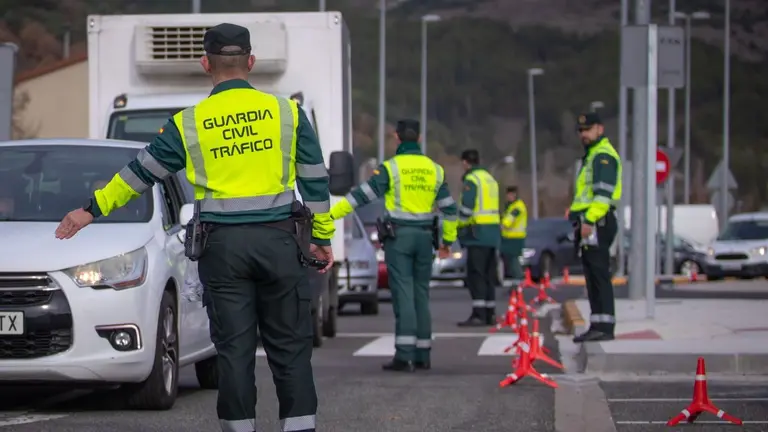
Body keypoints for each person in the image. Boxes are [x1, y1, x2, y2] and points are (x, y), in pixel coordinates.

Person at [55, 23, 333, 432]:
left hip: (223, 250)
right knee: (290, 350)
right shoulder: (287, 114)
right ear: (251, 62)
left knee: (234, 353)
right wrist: (322, 238)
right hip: (280, 243)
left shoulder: (189, 123)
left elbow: (140, 174)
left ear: (206, 64)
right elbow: (316, 180)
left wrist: (90, 210)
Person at [329, 119, 458, 372]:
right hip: (425, 239)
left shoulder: (391, 168)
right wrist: (447, 242)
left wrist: (329, 214)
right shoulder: (435, 170)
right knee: (421, 294)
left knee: (403, 294)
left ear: (397, 138)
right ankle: (423, 354)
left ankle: (405, 354)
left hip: (399, 238)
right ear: (419, 138)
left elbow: (360, 197)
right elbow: (450, 210)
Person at [568, 112, 622, 343]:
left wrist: (589, 220)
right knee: (592, 275)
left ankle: (605, 326)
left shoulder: (602, 157)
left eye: (588, 130)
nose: (583, 134)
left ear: (600, 129)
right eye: (581, 131)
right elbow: (586, 194)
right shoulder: (591, 156)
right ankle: (598, 323)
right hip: (591, 221)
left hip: (598, 222)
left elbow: (602, 196)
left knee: (599, 274)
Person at [456, 150, 501, 327]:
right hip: (492, 233)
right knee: (489, 275)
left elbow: (467, 209)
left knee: (476, 275)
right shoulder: (490, 179)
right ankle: (490, 313)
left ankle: (479, 314)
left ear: (466, 163)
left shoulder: (472, 180)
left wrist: (459, 227)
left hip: (477, 233)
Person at [500, 186, 527, 280]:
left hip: (515, 238)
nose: (509, 197)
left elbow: (509, 220)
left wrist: (501, 226)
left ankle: (518, 279)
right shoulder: (510, 206)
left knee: (513, 260)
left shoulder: (518, 206)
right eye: (508, 195)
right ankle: (515, 279)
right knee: (509, 260)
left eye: (511, 194)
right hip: (508, 238)